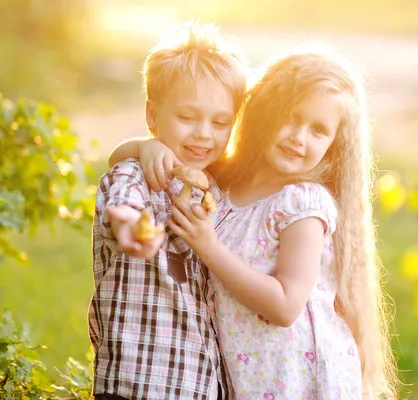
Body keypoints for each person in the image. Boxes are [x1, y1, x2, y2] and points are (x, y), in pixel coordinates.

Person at [111, 45, 398, 399]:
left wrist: (209, 247)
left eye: (318, 130)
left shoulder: (302, 204)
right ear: (263, 111)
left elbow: (285, 305)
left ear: (334, 144)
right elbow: (116, 159)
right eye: (291, 118)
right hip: (249, 377)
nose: (299, 137)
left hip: (299, 379)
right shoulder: (224, 182)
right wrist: (146, 148)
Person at [88, 20, 247, 400]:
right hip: (136, 381)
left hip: (200, 384)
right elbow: (120, 204)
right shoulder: (135, 174)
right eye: (187, 117)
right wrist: (130, 225)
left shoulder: (216, 190)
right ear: (154, 116)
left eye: (220, 122)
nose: (204, 134)